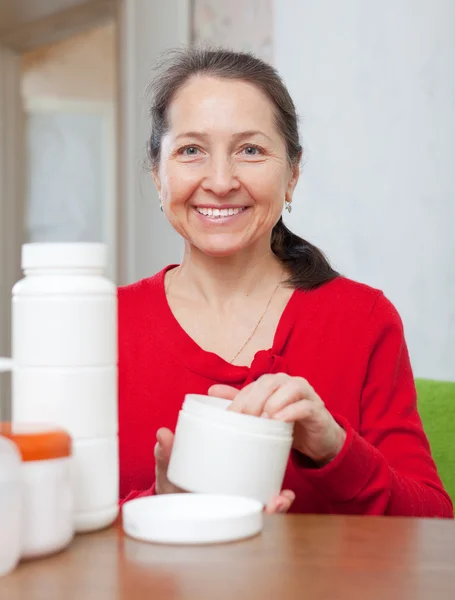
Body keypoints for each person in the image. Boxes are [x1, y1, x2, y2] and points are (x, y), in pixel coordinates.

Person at [118, 47, 453, 517]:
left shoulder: (364, 320)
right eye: (191, 150)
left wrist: (336, 448)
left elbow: (434, 526)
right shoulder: (104, 325)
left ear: (292, 174)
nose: (220, 180)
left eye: (250, 150)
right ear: (158, 175)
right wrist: (163, 509)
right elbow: (56, 525)